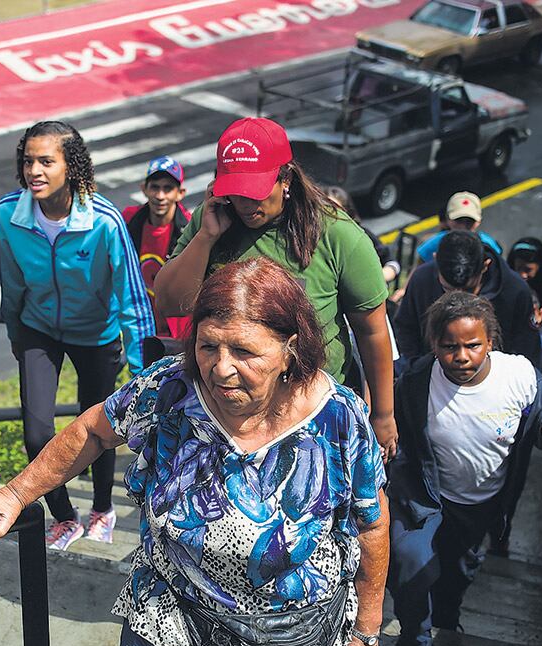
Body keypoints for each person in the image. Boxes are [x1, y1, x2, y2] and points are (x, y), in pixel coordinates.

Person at [0, 258, 390, 646]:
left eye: (244, 352)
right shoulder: (170, 388)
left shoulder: (338, 415)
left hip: (288, 641)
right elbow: (93, 430)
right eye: (208, 347)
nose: (221, 368)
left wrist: (367, 629)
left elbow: (371, 523)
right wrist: (16, 493)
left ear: (290, 349)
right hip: (171, 617)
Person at [154, 117, 398, 460]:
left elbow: (372, 332)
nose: (245, 204)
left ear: (285, 179)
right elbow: (168, 303)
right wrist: (206, 237)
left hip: (312, 415)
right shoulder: (213, 221)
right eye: (234, 193)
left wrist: (383, 414)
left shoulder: (338, 236)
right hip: (227, 412)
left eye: (254, 192)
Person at [385, 292, 542, 646]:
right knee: (411, 564)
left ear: (490, 342)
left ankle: (444, 623)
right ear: (434, 345)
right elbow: (389, 418)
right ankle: (413, 642)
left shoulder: (519, 375)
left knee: (456, 575)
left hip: (481, 505)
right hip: (425, 497)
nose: (462, 356)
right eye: (449, 346)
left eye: (473, 345)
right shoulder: (415, 380)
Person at [0, 120, 154, 550]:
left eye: (47, 161)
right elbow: (11, 286)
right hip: (37, 329)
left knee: (100, 426)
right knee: (35, 432)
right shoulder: (9, 215)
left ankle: (103, 505)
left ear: (72, 167)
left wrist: (145, 372)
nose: (35, 170)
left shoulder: (104, 222)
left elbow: (132, 299)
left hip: (96, 335)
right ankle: (63, 515)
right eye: (28, 160)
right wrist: (16, 337)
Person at [394, 230, 541, 369]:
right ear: (435, 260)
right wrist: (418, 367)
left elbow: (526, 349)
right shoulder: (421, 279)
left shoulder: (516, 291)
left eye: (469, 290)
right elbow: (405, 327)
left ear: (485, 266)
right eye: (447, 290)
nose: (459, 302)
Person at [121, 155, 192, 339]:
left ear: (180, 193)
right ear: (144, 189)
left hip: (175, 328)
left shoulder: (190, 229)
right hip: (139, 321)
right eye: (155, 187)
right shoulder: (129, 219)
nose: (160, 196)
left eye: (168, 189)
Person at [324, 185, 400, 285]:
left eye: (336, 212)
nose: (331, 217)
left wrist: (375, 281)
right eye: (326, 210)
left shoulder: (361, 236)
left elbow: (391, 263)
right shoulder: (313, 240)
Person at [414, 192, 503, 264]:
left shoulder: (489, 246)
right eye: (458, 220)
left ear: (478, 222)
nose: (463, 227)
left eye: (469, 221)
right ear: (448, 219)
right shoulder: (434, 244)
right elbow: (415, 275)